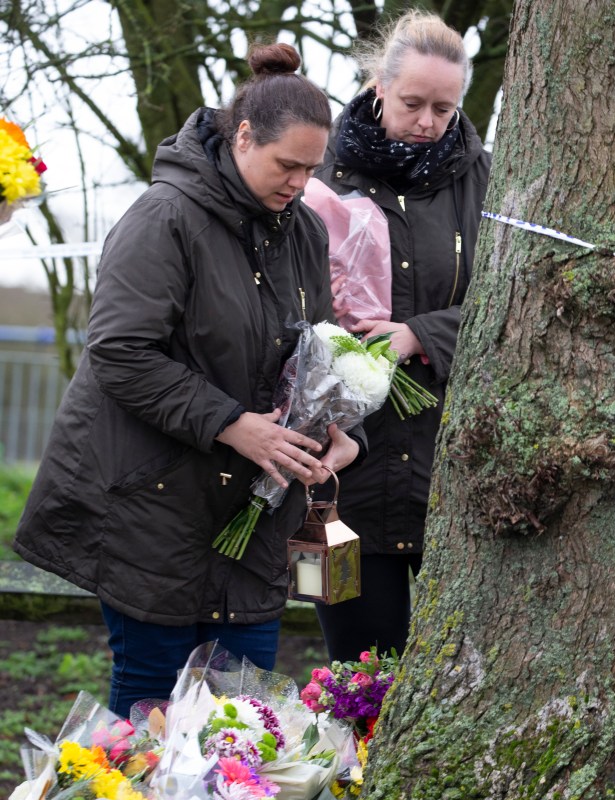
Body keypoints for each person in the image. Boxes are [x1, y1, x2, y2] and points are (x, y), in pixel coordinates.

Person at [13, 43, 361, 719]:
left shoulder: (305, 235)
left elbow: (317, 350)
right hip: (155, 509)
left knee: (239, 726)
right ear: (241, 137)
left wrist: (337, 429)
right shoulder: (164, 216)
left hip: (250, 519)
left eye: (312, 169)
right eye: (286, 164)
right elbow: (119, 352)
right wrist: (234, 425)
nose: (298, 181)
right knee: (146, 727)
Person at [311, 11, 491, 662]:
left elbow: (517, 305)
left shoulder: (485, 181)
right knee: (358, 673)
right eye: (413, 102)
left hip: (451, 474)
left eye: (445, 108)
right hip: (345, 475)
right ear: (376, 86)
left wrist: (422, 334)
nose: (428, 121)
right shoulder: (320, 172)